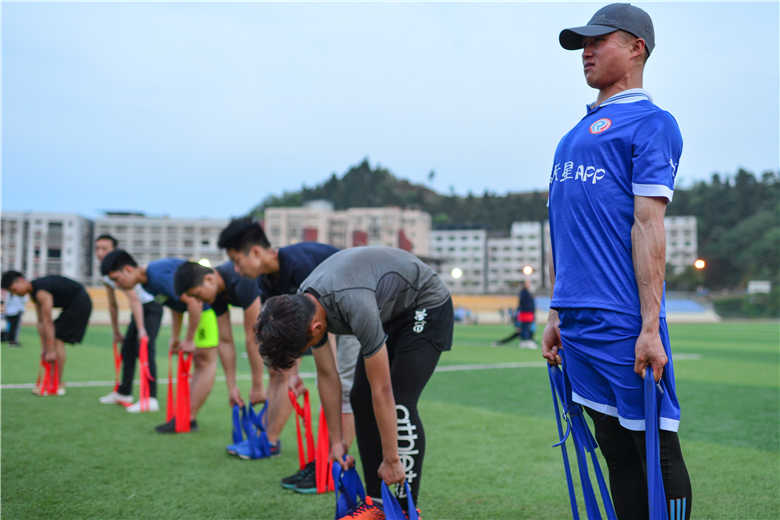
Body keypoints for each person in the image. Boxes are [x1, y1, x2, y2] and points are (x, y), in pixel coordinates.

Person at [545, 4, 692, 519]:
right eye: (581, 44)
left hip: (622, 318)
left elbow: (648, 225)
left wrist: (650, 326)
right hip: (578, 320)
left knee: (653, 444)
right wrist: (555, 312)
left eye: (598, 40)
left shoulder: (652, 123)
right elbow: (566, 228)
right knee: (613, 449)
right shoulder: (572, 134)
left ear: (636, 48)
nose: (585, 51)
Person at [256, 246, 453, 518]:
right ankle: (376, 505)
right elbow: (327, 375)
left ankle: (405, 510)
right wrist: (336, 440)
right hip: (387, 310)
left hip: (424, 305)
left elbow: (382, 389)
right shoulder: (305, 305)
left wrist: (392, 459)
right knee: (360, 397)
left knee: (399, 401)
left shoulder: (352, 303)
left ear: (315, 329)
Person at [217, 218, 359, 491]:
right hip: (322, 321)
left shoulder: (300, 264)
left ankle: (332, 467)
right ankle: (273, 441)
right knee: (279, 373)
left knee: (343, 383)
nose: (236, 269)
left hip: (351, 312)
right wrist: (290, 372)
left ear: (256, 252)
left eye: (237, 260)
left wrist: (312, 371)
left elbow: (321, 325)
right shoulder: (267, 281)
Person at [100, 250, 219, 433]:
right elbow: (176, 305)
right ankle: (185, 417)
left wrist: (189, 339)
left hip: (206, 310)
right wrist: (176, 336)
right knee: (199, 364)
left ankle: (187, 418)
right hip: (198, 311)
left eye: (117, 279)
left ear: (128, 269)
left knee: (204, 362)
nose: (117, 285)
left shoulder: (157, 276)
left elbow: (195, 302)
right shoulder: (147, 285)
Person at [173, 260, 273, 447]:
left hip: (291, 302)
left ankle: (269, 441)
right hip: (273, 310)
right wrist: (232, 387)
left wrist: (258, 386)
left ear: (209, 279)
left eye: (198, 295)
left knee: (279, 374)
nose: (200, 302)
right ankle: (264, 440)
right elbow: (226, 341)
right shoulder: (215, 293)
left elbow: (253, 336)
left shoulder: (241, 279)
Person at [94, 234, 164, 412]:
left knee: (146, 348)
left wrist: (141, 330)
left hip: (150, 307)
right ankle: (123, 393)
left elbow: (134, 299)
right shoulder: (107, 274)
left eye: (105, 248)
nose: (100, 252)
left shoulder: (122, 267)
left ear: (114, 250)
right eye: (97, 248)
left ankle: (150, 398)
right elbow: (112, 305)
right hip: (139, 311)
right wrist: (116, 331)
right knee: (127, 350)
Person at [1, 270, 92, 393]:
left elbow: (48, 321)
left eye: (14, 290)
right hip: (72, 304)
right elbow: (40, 322)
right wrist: (44, 349)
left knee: (57, 338)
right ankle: (54, 381)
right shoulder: (34, 293)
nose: (15, 294)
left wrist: (50, 350)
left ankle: (57, 384)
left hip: (81, 302)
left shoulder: (41, 292)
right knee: (54, 339)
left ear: (21, 281)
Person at [493, 280, 536, 348]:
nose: (529, 285)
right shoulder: (524, 293)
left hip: (528, 315)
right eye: (527, 283)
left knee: (526, 328)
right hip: (525, 314)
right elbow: (522, 305)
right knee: (524, 328)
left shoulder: (527, 293)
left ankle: (527, 340)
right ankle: (525, 341)